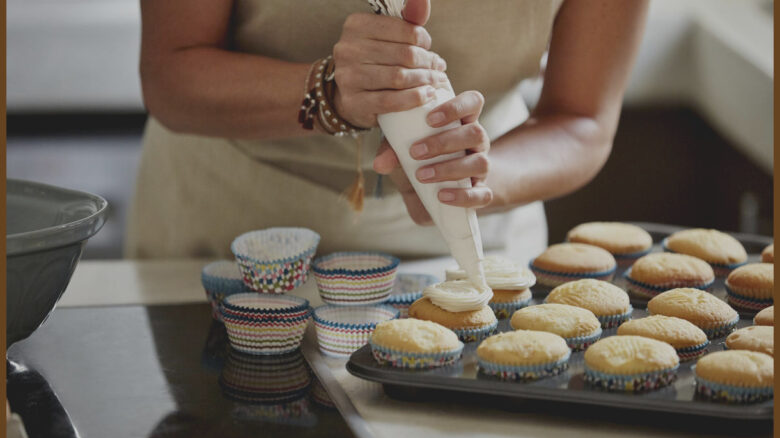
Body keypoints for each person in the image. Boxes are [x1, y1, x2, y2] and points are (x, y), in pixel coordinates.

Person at [127, 0, 649, 263]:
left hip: (473, 243)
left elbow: (581, 118)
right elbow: (170, 72)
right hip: (227, 231)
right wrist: (324, 92)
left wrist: (471, 177)